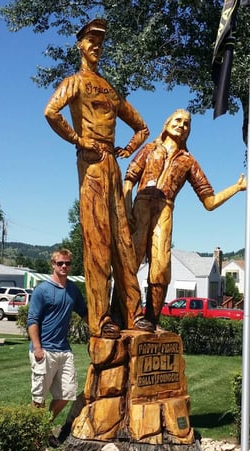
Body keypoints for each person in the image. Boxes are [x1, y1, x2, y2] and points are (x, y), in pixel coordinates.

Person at [44, 18, 151, 336]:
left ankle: (133, 313)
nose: (96, 46)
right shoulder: (74, 82)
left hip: (112, 167)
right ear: (80, 44)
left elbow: (142, 127)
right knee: (98, 243)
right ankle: (100, 319)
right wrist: (79, 140)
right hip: (89, 165)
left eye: (101, 42)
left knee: (123, 243)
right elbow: (52, 111)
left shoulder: (109, 89)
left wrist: (129, 148)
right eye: (91, 40)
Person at [123, 109, 250, 325]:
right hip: (140, 205)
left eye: (187, 123)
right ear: (167, 123)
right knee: (130, 261)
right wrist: (126, 209)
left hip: (165, 209)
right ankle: (125, 314)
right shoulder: (149, 149)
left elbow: (209, 201)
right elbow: (129, 178)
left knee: (161, 266)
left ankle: (151, 320)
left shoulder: (188, 161)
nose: (182, 125)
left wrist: (238, 187)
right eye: (178, 120)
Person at [27, 248, 87, 423]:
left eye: (67, 263)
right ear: (53, 264)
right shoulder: (42, 290)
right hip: (44, 350)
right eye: (60, 263)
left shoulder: (73, 290)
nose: (64, 266)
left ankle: (44, 426)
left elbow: (84, 312)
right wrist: (38, 347)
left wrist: (103, 328)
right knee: (39, 397)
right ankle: (34, 438)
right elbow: (32, 320)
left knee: (68, 393)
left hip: (64, 350)